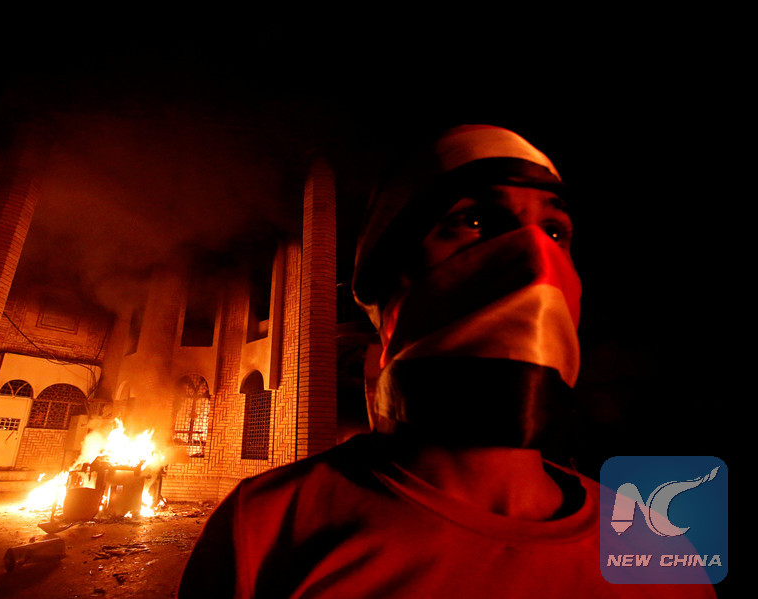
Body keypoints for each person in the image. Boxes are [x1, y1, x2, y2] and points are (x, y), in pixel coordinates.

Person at [177, 125, 716, 598]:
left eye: (555, 231)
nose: (536, 256)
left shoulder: (657, 553)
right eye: (474, 220)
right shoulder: (268, 529)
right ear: (388, 286)